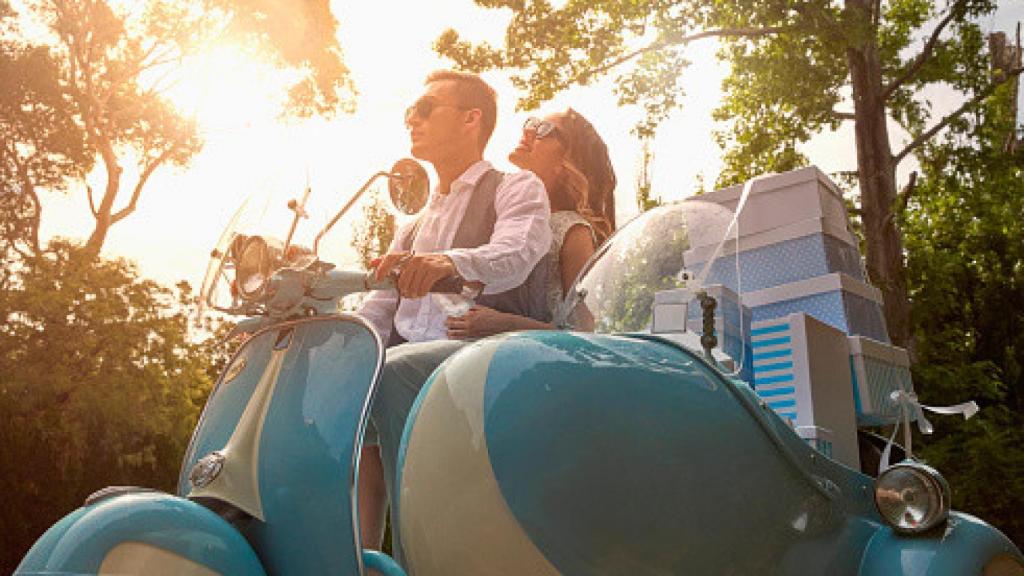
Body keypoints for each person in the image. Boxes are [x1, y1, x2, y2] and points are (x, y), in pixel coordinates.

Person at [356, 70, 552, 560]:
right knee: (352, 389)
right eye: (410, 112)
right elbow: (379, 304)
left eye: (426, 108)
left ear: (471, 119)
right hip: (420, 360)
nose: (412, 119)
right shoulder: (413, 224)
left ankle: (415, 557)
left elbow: (517, 254)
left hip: (486, 358)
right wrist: (340, 345)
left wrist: (449, 262)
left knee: (397, 371)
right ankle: (357, 557)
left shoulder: (515, 187)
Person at [445, 108, 616, 339]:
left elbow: (586, 333)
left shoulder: (571, 231)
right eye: (532, 123)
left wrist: (508, 325)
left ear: (566, 160)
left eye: (544, 130)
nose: (528, 131)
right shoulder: (498, 213)